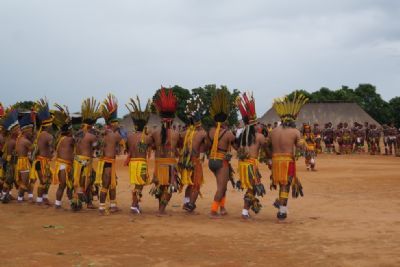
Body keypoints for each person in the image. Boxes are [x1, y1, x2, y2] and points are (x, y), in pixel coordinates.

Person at [269, 93, 307, 220]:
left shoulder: (273, 132)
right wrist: (303, 142)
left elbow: (267, 146)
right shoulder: (295, 132)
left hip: (275, 161)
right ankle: (281, 213)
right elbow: (301, 146)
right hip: (287, 162)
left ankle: (282, 208)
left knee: (282, 186)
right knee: (286, 186)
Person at [150, 87, 181, 215]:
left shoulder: (155, 132)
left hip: (159, 163)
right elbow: (178, 148)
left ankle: (160, 208)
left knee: (160, 186)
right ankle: (161, 210)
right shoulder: (176, 133)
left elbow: (151, 145)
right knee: (169, 187)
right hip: (170, 164)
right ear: (172, 120)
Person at [236, 92, 266, 219]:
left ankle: (248, 208)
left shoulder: (242, 136)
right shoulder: (259, 136)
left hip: (242, 165)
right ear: (255, 124)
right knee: (252, 188)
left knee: (251, 188)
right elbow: (266, 147)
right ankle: (245, 211)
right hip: (250, 165)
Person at [207, 89, 236, 218]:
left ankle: (222, 208)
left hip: (211, 161)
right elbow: (237, 146)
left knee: (222, 185)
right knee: (221, 187)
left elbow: (207, 145)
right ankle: (213, 211)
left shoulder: (211, 131)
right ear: (224, 120)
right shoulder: (229, 134)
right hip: (221, 162)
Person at [178, 93, 208, 213]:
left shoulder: (186, 132)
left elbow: (180, 141)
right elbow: (206, 146)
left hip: (185, 161)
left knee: (190, 183)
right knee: (196, 183)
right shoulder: (202, 133)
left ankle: (186, 202)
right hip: (195, 161)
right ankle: (190, 205)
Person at [125, 96, 153, 214]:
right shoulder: (146, 138)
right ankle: (134, 205)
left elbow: (127, 149)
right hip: (141, 163)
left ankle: (135, 205)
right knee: (139, 185)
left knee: (138, 185)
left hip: (133, 163)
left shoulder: (130, 137)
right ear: (144, 126)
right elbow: (150, 146)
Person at [72, 97, 100, 211]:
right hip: (86, 161)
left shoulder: (77, 134)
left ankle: (76, 203)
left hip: (77, 160)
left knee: (77, 181)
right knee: (89, 181)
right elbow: (96, 146)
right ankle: (88, 203)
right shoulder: (91, 136)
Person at [96, 94, 122, 215]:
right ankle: (101, 207)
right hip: (107, 162)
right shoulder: (115, 135)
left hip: (106, 162)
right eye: (116, 123)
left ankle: (112, 205)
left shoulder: (103, 133)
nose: (118, 125)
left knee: (112, 184)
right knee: (106, 185)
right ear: (112, 124)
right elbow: (121, 142)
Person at [30, 99, 54, 205]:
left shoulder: (40, 134)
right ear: (47, 125)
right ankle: (40, 200)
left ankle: (44, 197)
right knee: (44, 181)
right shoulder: (47, 136)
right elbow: (52, 147)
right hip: (42, 161)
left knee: (47, 180)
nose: (51, 127)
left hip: (41, 161)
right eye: (50, 125)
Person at [52, 104, 75, 209]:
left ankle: (70, 203)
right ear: (69, 130)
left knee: (68, 185)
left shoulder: (59, 138)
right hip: (63, 165)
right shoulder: (69, 140)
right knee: (64, 185)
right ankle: (58, 204)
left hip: (65, 164)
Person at [0, 108, 19, 203]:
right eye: (17, 129)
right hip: (8, 162)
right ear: (13, 131)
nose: (19, 130)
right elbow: (9, 155)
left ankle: (7, 194)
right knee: (7, 179)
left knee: (9, 179)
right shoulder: (11, 141)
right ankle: (3, 196)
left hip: (9, 162)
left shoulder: (12, 140)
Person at [15, 110, 35, 203]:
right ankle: (20, 198)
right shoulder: (26, 141)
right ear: (26, 131)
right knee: (24, 181)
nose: (31, 133)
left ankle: (24, 197)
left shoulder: (19, 138)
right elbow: (34, 150)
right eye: (30, 131)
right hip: (24, 162)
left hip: (20, 161)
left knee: (25, 181)